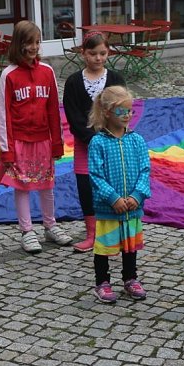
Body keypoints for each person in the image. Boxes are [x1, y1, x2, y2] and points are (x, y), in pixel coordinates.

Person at [0, 20, 72, 254]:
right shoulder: (8, 75)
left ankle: (50, 225)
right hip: (19, 141)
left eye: (37, 42)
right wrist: (7, 149)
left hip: (43, 141)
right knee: (22, 185)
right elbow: (3, 115)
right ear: (18, 44)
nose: (34, 47)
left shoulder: (47, 72)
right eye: (29, 43)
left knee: (47, 184)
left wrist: (57, 143)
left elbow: (53, 110)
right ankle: (26, 231)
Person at [87, 86, 151, 304]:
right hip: (108, 208)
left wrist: (137, 196)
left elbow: (145, 170)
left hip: (132, 207)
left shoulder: (137, 140)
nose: (127, 116)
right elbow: (95, 175)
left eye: (130, 111)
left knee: (130, 246)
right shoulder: (98, 142)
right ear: (107, 112)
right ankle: (102, 282)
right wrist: (113, 198)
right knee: (104, 247)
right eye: (121, 111)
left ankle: (130, 278)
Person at [63, 31, 126, 253]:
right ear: (83, 53)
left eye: (102, 53)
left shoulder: (115, 79)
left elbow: (122, 109)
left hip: (112, 143)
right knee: (86, 186)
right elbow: (73, 116)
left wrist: (112, 136)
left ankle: (115, 232)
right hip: (85, 145)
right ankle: (92, 234)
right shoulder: (73, 82)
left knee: (112, 184)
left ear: (108, 53)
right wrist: (92, 140)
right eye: (92, 53)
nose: (98, 58)